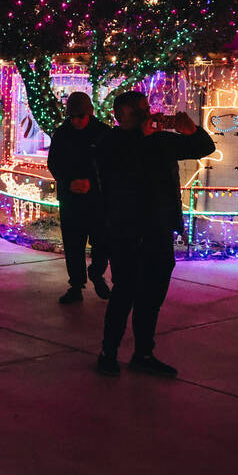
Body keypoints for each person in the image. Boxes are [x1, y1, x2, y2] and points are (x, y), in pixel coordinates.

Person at [95, 91, 215, 378]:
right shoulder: (112, 142)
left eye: (145, 110)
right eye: (137, 113)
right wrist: (142, 137)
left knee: (151, 296)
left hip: (158, 229)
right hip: (127, 231)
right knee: (124, 292)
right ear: (119, 117)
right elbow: (119, 171)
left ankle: (143, 352)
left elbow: (203, 147)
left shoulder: (160, 141)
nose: (145, 116)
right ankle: (108, 353)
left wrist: (191, 130)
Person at [48, 92, 112, 304]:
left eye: (80, 116)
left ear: (90, 112)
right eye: (72, 116)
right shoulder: (62, 133)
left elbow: (112, 166)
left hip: (98, 200)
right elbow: (54, 163)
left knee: (102, 241)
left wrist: (94, 184)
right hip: (71, 199)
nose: (76, 120)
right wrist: (67, 182)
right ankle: (76, 285)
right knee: (73, 244)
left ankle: (97, 273)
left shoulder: (104, 134)